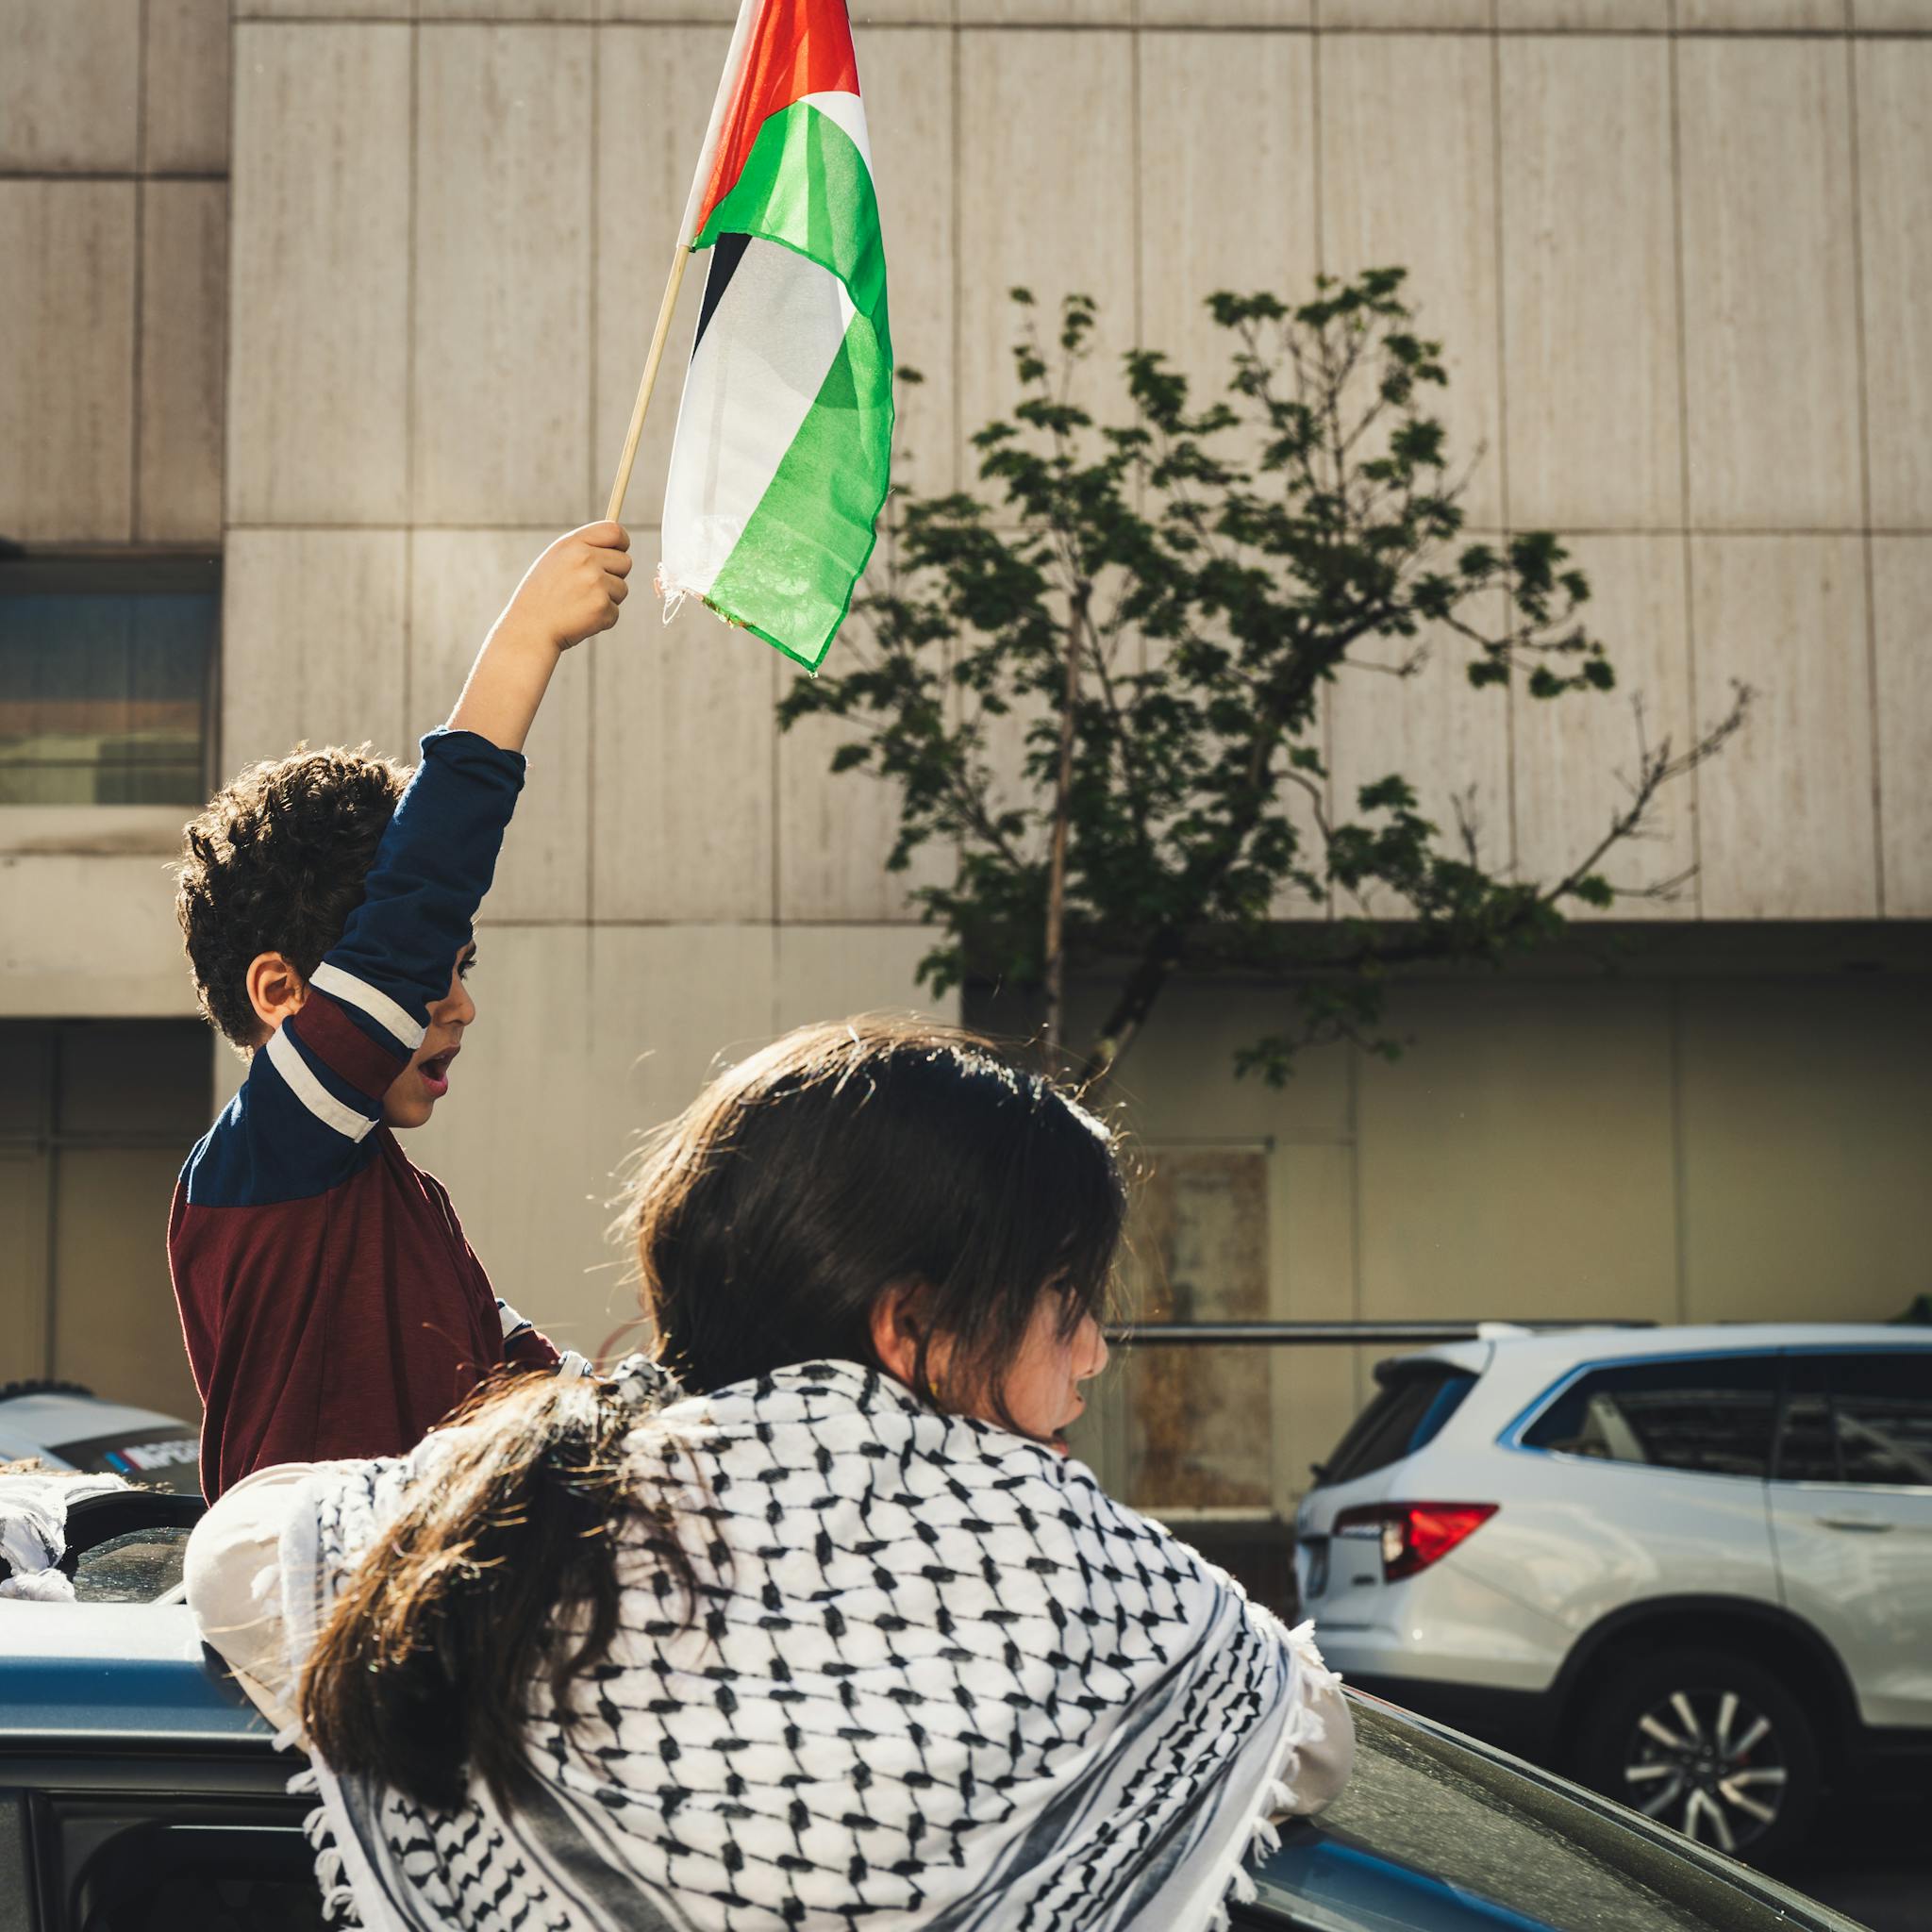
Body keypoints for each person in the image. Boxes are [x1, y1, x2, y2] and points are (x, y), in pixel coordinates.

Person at [187, 1021, 1355, 1931]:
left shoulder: (544, 1516)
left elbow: (245, 1556)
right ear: (912, 1330)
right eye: (1066, 1301)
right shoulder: (1054, 1561)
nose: (1095, 1348)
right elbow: (1301, 1732)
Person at [168, 524, 632, 1501]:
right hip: (306, 1640)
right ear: (283, 995)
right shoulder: (267, 1163)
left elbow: (546, 1399)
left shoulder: (418, 1213)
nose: (460, 1003)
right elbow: (417, 895)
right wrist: (527, 641)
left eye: (462, 966)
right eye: (430, 970)